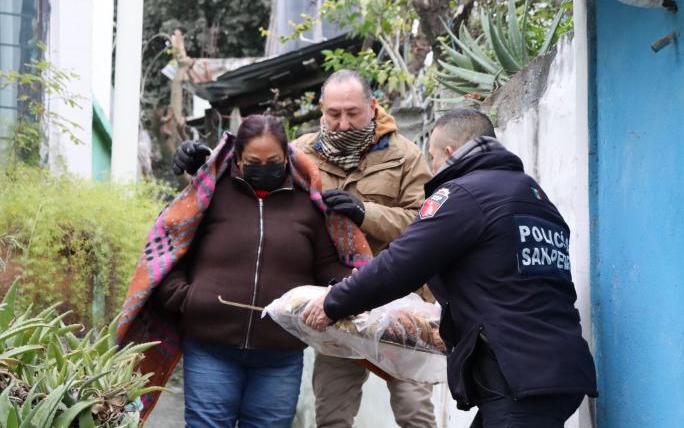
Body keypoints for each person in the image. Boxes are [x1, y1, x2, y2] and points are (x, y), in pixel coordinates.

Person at [173, 69, 437, 428]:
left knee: (414, 414)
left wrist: (366, 213)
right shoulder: (299, 154)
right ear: (321, 111)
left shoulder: (406, 156)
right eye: (334, 114)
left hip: (395, 310)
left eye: (353, 112)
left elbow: (424, 225)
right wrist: (206, 162)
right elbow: (246, 181)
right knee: (331, 415)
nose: (343, 123)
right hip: (338, 311)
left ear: (372, 107)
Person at [303, 108, 598, 428]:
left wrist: (334, 302)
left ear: (448, 153)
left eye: (432, 158)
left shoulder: (464, 194)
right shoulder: (534, 197)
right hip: (554, 369)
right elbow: (504, 284)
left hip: (516, 376)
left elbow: (401, 263)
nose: (431, 169)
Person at [154, 114, 352, 428]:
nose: (264, 167)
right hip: (210, 348)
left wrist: (354, 286)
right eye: (253, 161)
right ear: (238, 159)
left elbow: (327, 266)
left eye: (273, 160)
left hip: (280, 353)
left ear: (287, 156)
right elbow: (169, 252)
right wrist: (189, 299)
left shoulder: (308, 205)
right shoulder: (211, 195)